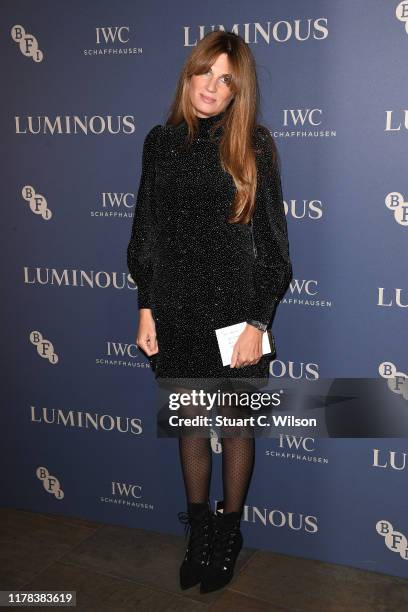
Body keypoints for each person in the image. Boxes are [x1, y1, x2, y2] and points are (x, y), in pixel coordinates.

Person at [127, 30, 292, 594]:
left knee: (237, 429)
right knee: (192, 429)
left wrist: (258, 321)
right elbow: (146, 231)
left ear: (237, 91)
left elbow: (274, 248)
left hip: (237, 315)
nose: (213, 87)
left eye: (227, 80)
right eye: (206, 73)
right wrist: (146, 306)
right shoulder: (160, 141)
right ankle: (198, 531)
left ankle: (229, 532)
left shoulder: (255, 144)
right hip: (176, 311)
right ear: (188, 75)